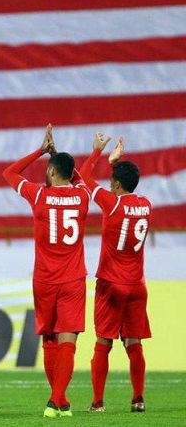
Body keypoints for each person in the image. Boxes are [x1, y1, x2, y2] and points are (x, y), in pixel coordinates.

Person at [2, 124, 90, 418]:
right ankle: (58, 400)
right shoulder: (83, 197)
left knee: (50, 339)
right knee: (68, 340)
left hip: (44, 280)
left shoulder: (39, 195)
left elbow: (9, 173)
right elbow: (79, 179)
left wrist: (41, 151)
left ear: (51, 172)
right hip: (73, 279)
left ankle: (58, 401)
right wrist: (60, 158)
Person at [80, 134, 152, 413]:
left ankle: (98, 402)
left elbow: (85, 177)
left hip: (111, 284)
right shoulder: (146, 205)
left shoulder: (112, 203)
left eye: (112, 181)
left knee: (103, 343)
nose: (109, 184)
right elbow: (125, 187)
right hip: (137, 286)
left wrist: (97, 152)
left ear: (117, 184)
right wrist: (116, 164)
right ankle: (138, 398)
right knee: (134, 344)